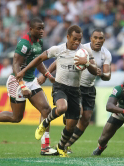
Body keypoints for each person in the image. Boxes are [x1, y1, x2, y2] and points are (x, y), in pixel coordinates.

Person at [0, 18, 57, 155]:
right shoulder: (24, 43)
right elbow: (15, 65)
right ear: (31, 29)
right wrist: (22, 85)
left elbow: (38, 61)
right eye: (39, 28)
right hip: (17, 81)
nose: (42, 31)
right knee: (16, 117)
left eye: (43, 28)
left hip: (31, 80)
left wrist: (48, 75)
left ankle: (45, 147)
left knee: (46, 110)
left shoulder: (39, 41)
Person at [16, 25, 98, 157]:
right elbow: (39, 59)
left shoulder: (85, 51)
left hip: (75, 91)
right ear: (68, 37)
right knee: (62, 107)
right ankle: (44, 123)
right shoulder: (58, 49)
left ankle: (60, 147)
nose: (77, 42)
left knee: (71, 125)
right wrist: (24, 71)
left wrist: (87, 63)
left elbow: (96, 71)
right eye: (74, 39)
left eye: (79, 39)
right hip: (60, 87)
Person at [37, 29, 112, 153]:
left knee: (86, 119)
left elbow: (107, 75)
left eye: (101, 38)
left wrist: (101, 74)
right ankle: (66, 121)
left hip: (90, 87)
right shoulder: (82, 48)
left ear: (104, 40)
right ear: (91, 38)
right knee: (78, 113)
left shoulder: (106, 54)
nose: (98, 41)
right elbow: (58, 61)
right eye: (95, 38)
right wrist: (45, 75)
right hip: (75, 86)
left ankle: (65, 145)